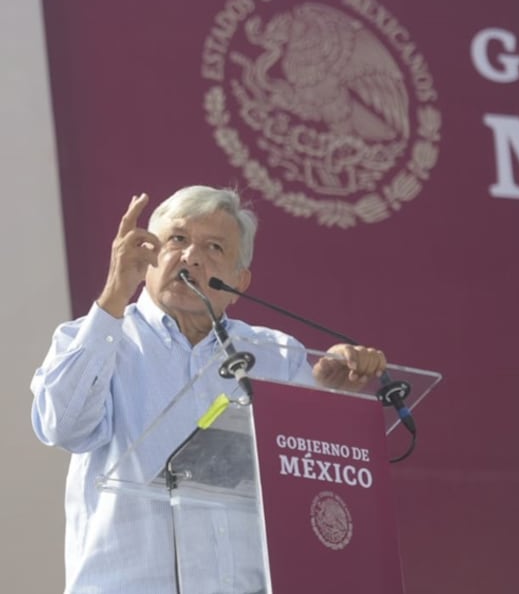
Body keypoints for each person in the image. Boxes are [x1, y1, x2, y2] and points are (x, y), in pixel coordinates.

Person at [30, 186, 386, 593]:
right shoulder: (95, 340)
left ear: (239, 279)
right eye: (177, 239)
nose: (191, 257)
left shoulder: (274, 354)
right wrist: (114, 293)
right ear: (146, 254)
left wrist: (326, 387)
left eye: (214, 247)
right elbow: (62, 426)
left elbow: (307, 474)